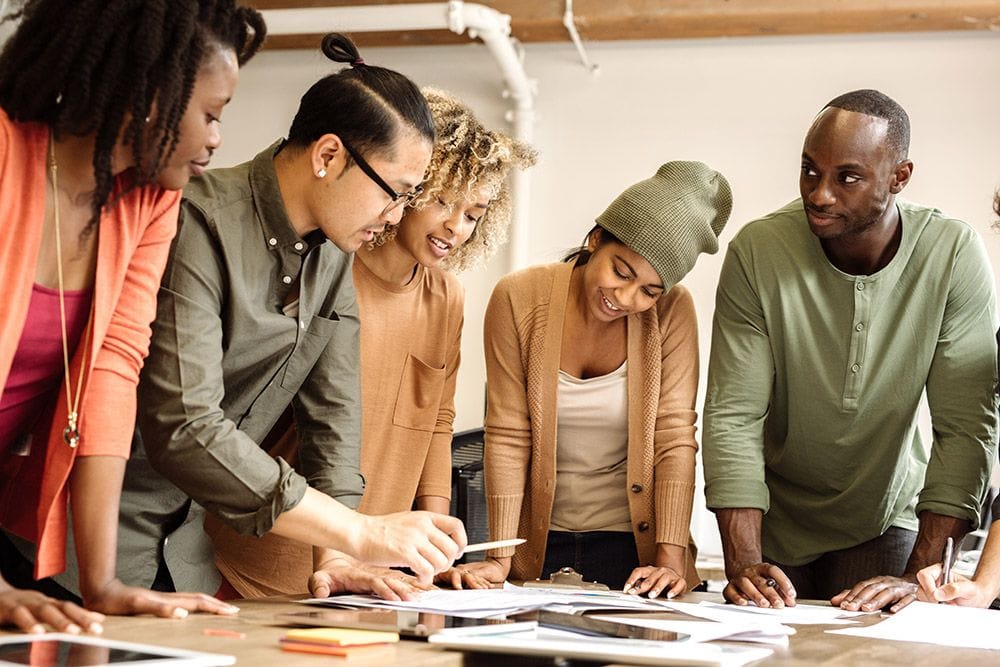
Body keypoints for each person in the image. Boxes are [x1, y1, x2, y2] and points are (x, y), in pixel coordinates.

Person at [54, 33, 467, 604]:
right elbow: (185, 426)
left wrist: (340, 556)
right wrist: (359, 530)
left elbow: (334, 426)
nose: (395, 217)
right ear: (328, 156)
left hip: (187, 563)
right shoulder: (195, 223)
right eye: (393, 193)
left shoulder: (333, 256)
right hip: (80, 556)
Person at [203, 87, 537, 601]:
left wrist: (433, 537)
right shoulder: (329, 269)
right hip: (263, 552)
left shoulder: (446, 297)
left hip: (374, 569)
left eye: (474, 213)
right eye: (443, 200)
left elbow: (436, 420)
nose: (456, 225)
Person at [0, 0, 265, 633]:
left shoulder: (148, 198)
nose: (216, 138)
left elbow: (112, 372)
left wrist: (103, 583)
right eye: (211, 113)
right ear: (150, 93)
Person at [702, 89, 998, 613]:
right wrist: (742, 560)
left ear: (899, 177)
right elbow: (733, 415)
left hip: (886, 519)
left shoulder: (953, 252)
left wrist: (920, 574)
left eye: (848, 177)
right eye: (810, 171)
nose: (820, 194)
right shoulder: (757, 251)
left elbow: (966, 425)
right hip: (774, 523)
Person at [444, 161, 732, 594]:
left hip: (634, 549)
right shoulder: (518, 297)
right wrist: (499, 558)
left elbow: (673, 436)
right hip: (536, 543)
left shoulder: (674, 313)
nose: (626, 298)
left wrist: (669, 558)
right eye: (621, 271)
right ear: (595, 240)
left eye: (650, 291)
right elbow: (507, 431)